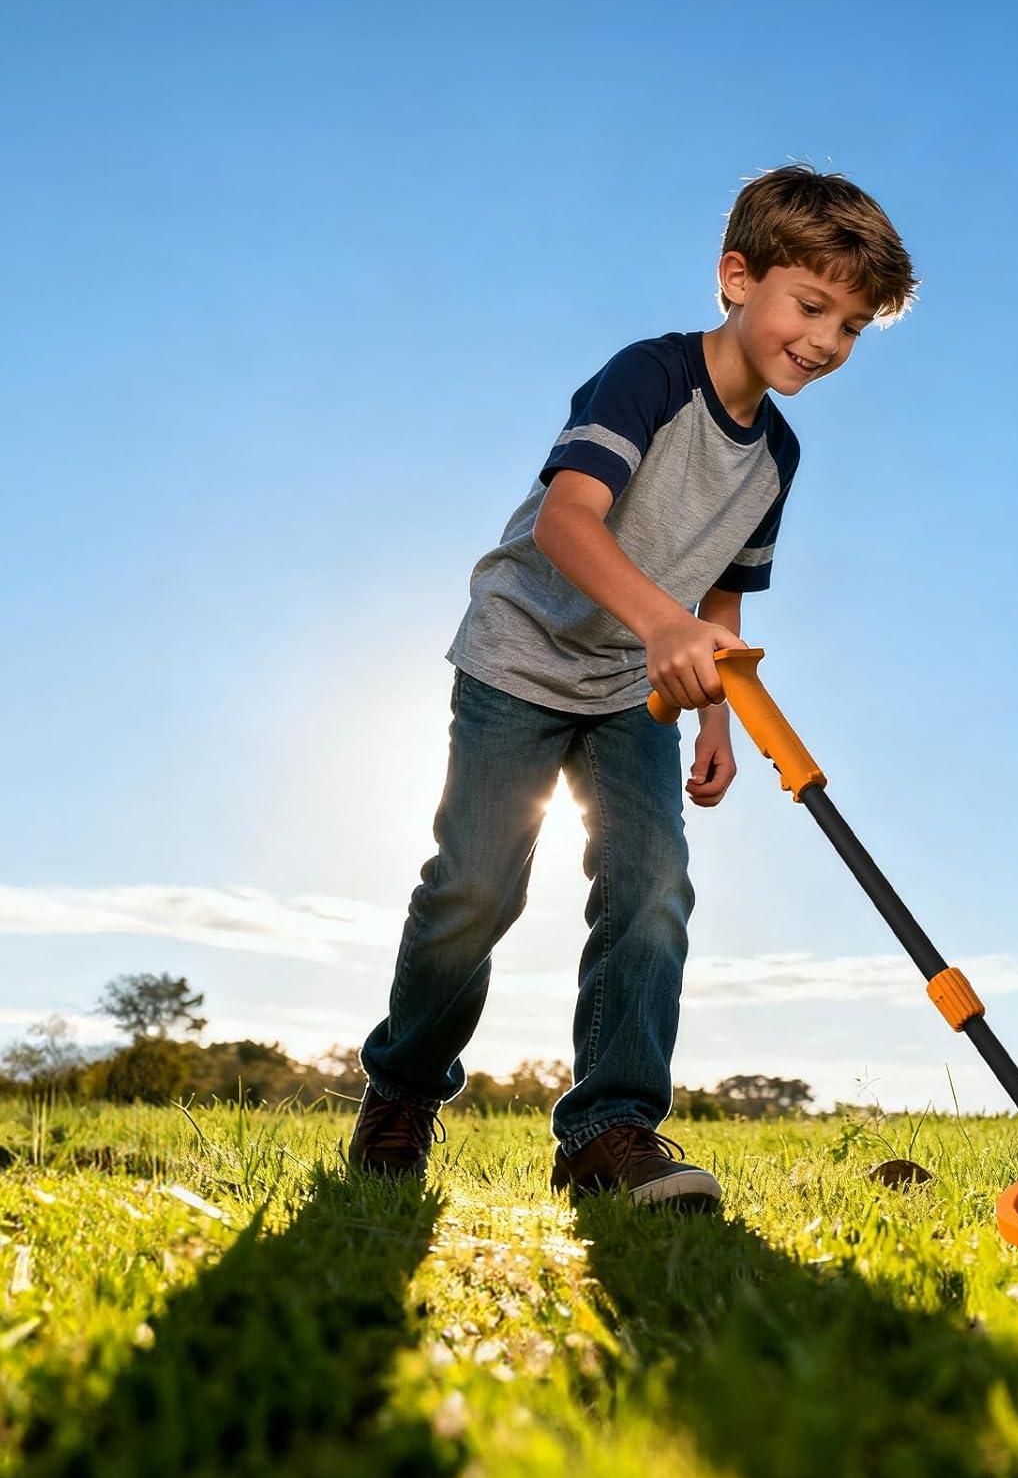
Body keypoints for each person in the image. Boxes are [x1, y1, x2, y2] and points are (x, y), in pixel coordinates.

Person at [349, 162, 918, 1205]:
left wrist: (720, 714)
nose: (827, 341)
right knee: (477, 884)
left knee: (651, 888)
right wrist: (663, 622)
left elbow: (723, 595)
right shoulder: (648, 377)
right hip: (518, 657)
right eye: (813, 305)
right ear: (738, 278)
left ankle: (608, 1132)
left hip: (631, 690)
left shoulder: (777, 456)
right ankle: (400, 1094)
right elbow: (569, 522)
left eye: (852, 325)